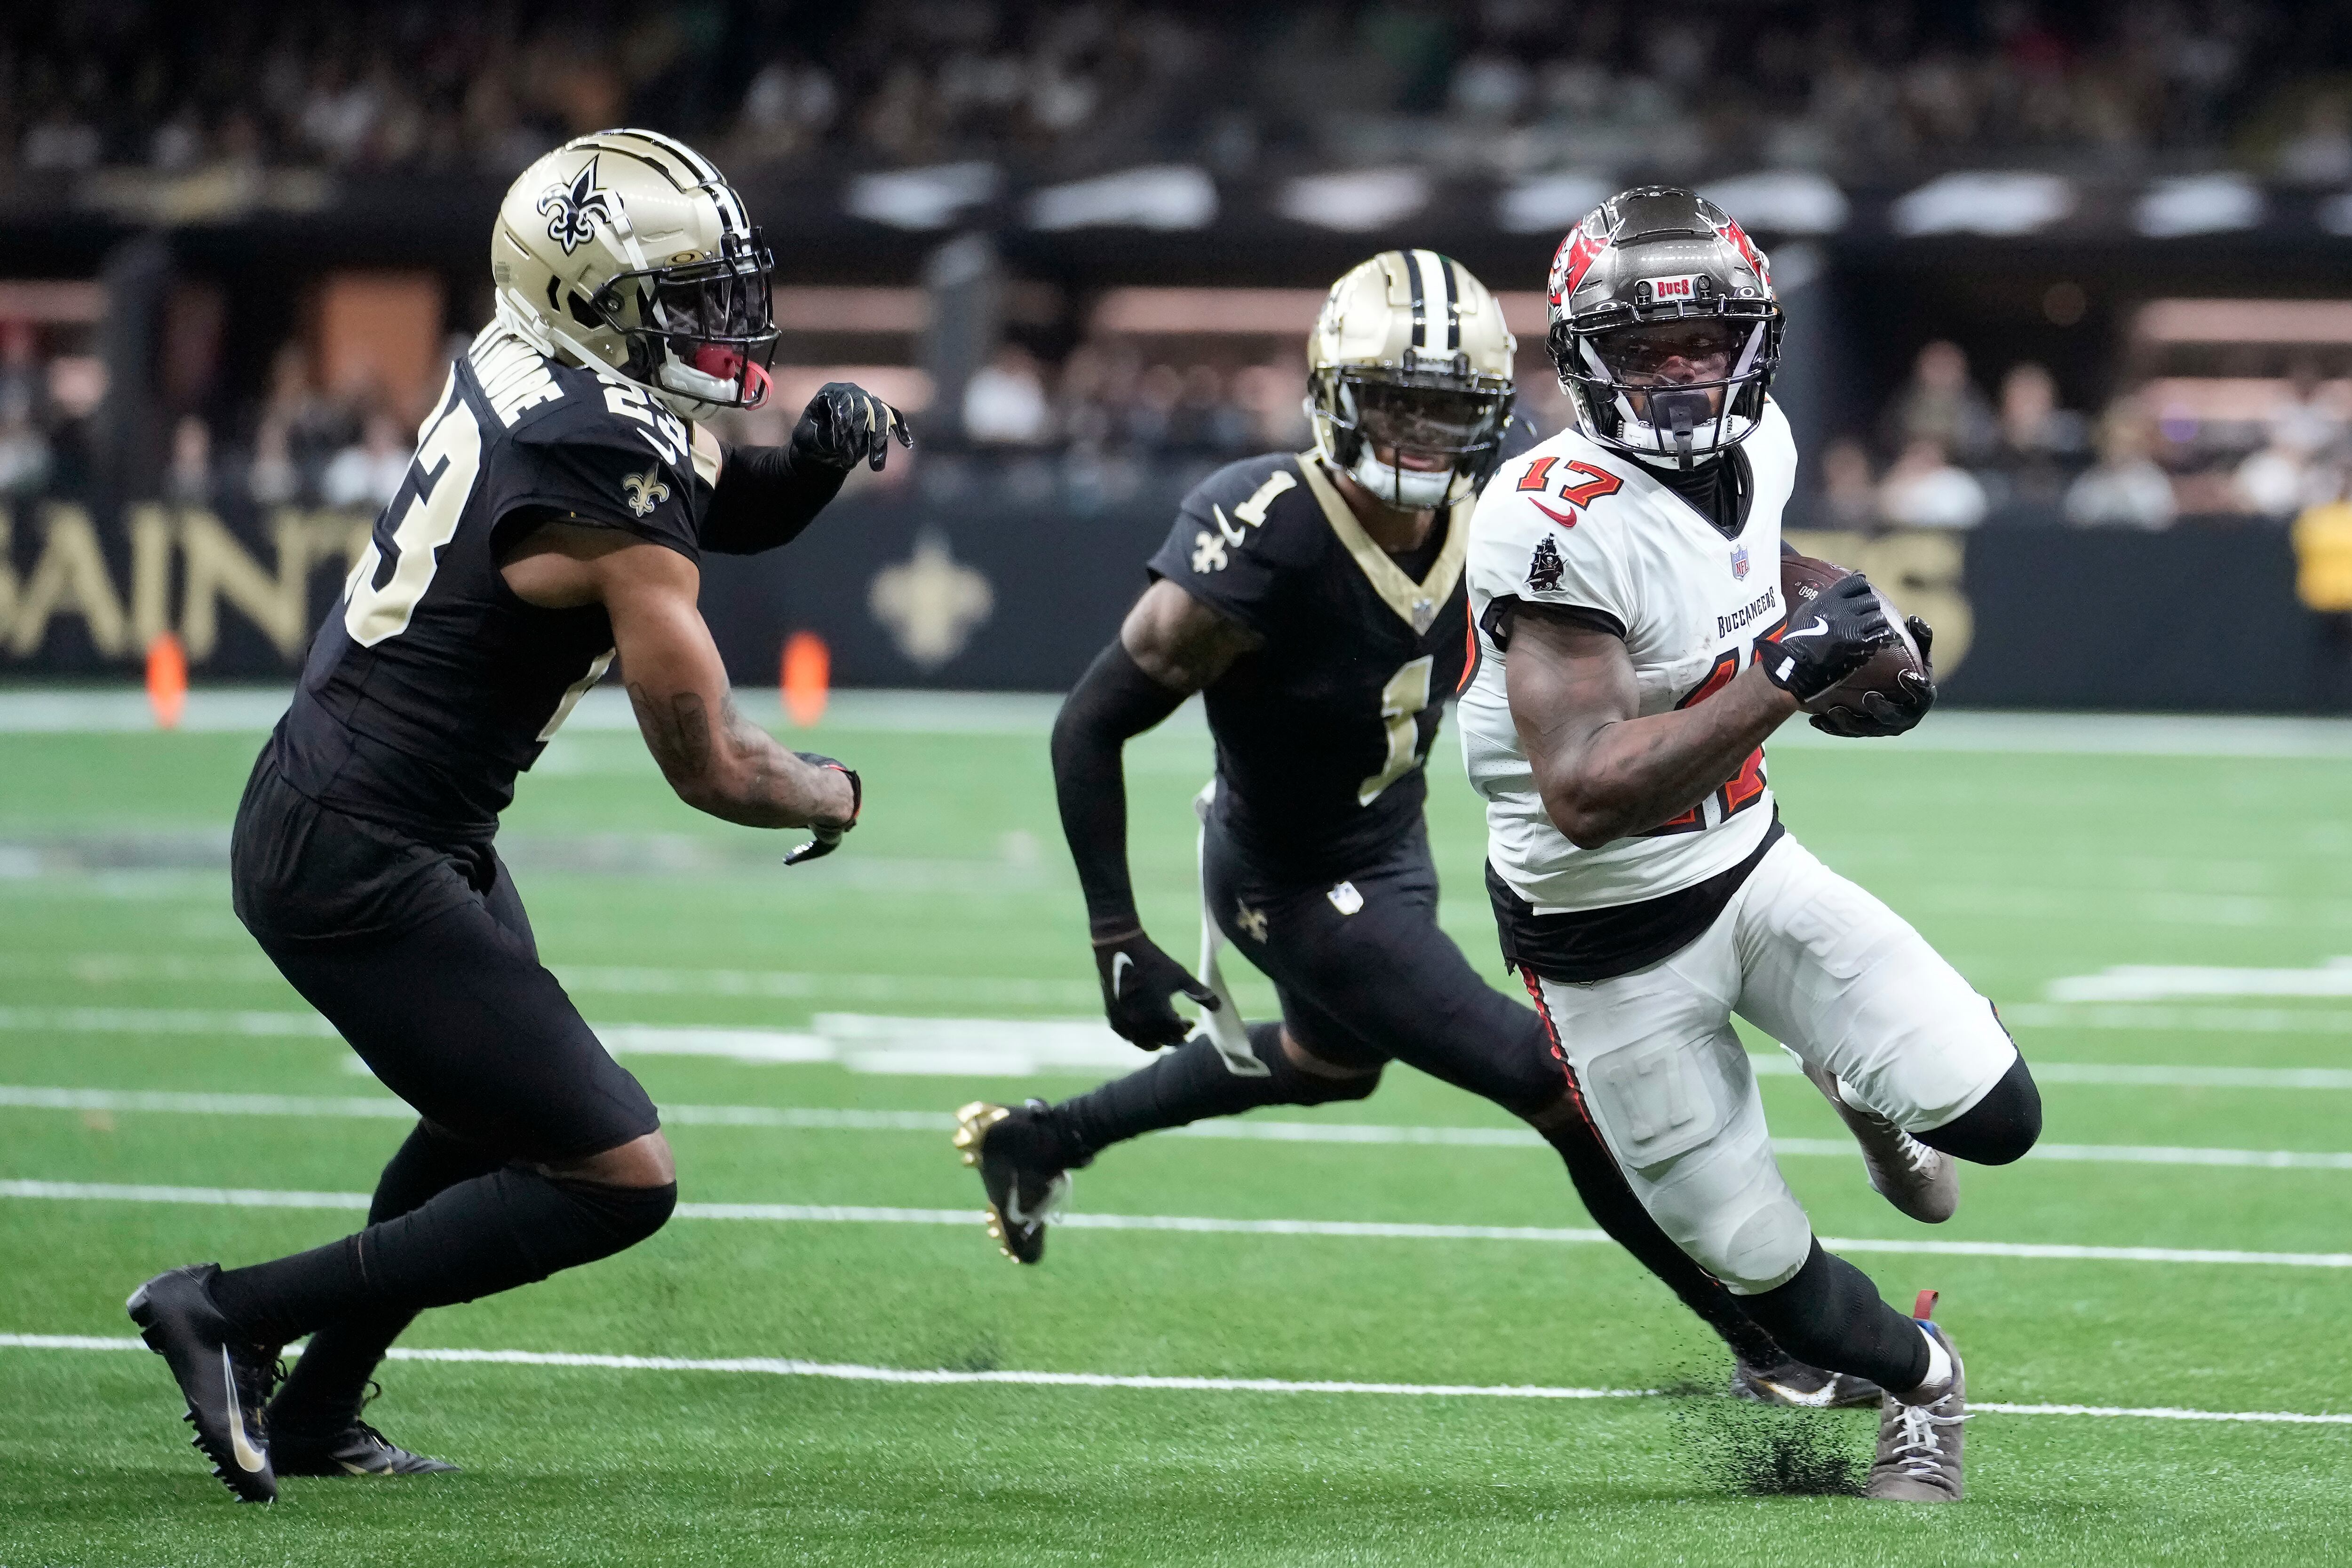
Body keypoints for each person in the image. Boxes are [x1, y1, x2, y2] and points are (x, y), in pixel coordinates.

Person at [953, 249, 1891, 1416]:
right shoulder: (1267, 533)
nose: (1415, 435)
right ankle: (1767, 1342)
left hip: (1390, 844)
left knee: (1324, 1063)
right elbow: (1091, 722)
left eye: (1447, 409)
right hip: (1290, 878)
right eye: (1393, 401)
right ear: (1333, 395)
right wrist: (1114, 929)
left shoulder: (1507, 502)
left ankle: (1041, 1140)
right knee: (1556, 1084)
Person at [122, 128, 908, 1504]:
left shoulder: (533, 361)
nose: (723, 323)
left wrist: (814, 463)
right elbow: (713, 761)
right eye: (688, 295)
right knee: (620, 1173)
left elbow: (683, 498)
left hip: (378, 812)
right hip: (359, 847)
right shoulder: (609, 461)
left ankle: (313, 1410)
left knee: (497, 1114)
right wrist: (834, 791)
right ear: (594, 297)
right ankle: (229, 1308)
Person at [1462, 185, 2045, 1502]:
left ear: (1757, 342)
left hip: (1752, 861)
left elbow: (1747, 554)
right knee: (1768, 1275)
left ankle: (1860, 1080)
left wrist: (1847, 618)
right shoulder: (1546, 512)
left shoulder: (1758, 437)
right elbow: (1588, 787)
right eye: (1650, 348)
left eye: (1708, 342)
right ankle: (1927, 1380)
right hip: (1603, 939)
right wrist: (1789, 669)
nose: (1684, 373)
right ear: (1583, 359)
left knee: (1998, 1117)